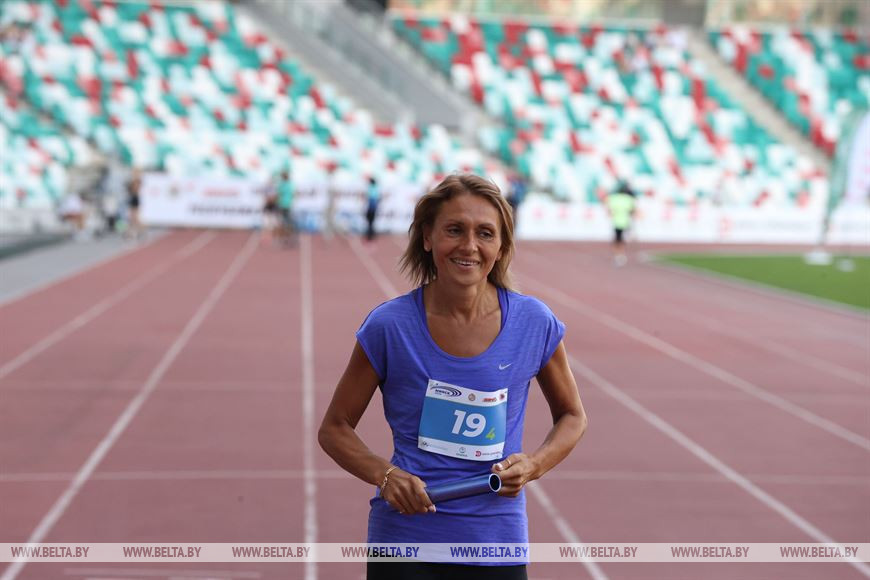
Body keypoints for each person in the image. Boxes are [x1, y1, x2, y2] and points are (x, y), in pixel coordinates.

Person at [319, 174, 588, 579]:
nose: (469, 246)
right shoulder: (389, 326)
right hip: (405, 542)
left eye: (485, 233)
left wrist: (534, 464)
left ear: (501, 247)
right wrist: (385, 475)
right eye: (455, 230)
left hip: (495, 542)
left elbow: (573, 416)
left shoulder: (534, 322)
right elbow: (334, 428)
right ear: (428, 237)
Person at [607, 180, 637, 266]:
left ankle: (619, 255)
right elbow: (632, 211)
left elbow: (609, 211)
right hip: (625, 222)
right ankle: (621, 254)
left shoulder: (613, 198)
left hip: (617, 222)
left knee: (618, 240)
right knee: (622, 240)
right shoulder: (629, 199)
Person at [364, 176, 380, 241]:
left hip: (371, 208)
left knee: (370, 222)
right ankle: (371, 234)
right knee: (371, 222)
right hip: (373, 208)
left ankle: (370, 235)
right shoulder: (376, 188)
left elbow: (370, 199)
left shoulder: (371, 188)